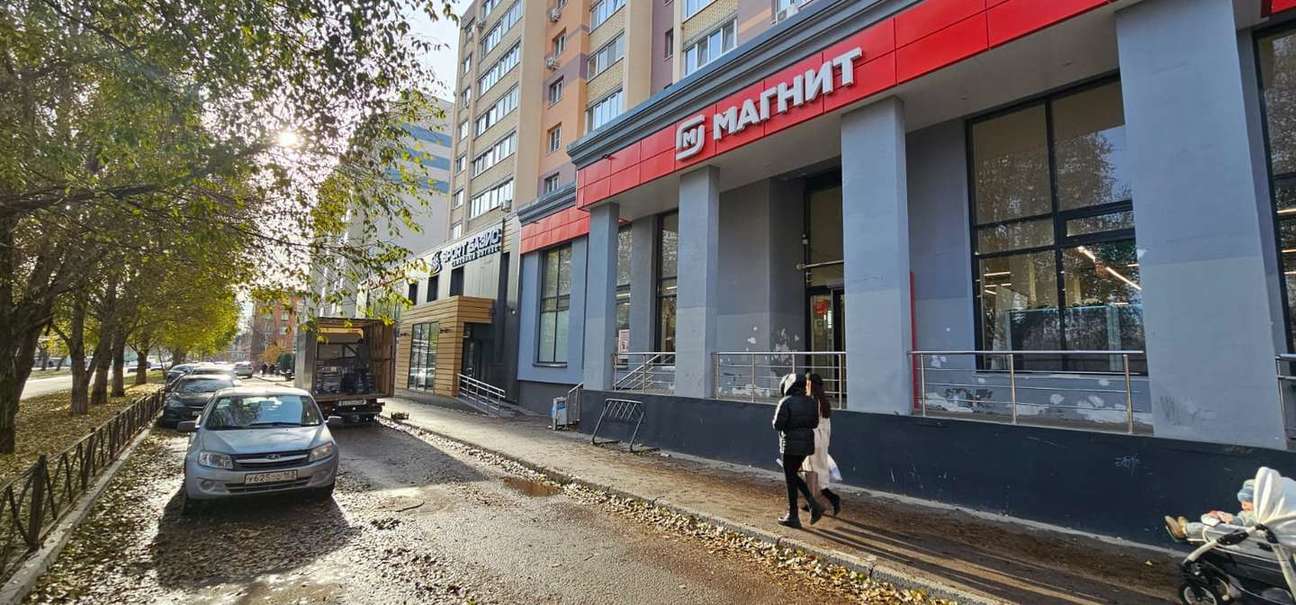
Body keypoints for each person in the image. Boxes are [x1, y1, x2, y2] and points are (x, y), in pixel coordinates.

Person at [773, 372, 824, 528]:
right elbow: (814, 423)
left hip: (790, 445)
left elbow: (777, 425)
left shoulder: (786, 401)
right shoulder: (812, 402)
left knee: (790, 478)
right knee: (792, 475)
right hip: (806, 445)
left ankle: (793, 515)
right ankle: (813, 505)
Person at [802, 373, 843, 516]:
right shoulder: (824, 401)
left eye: (807, 383)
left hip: (813, 439)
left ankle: (830, 499)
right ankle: (812, 502)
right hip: (822, 440)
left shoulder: (813, 401)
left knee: (812, 472)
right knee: (817, 471)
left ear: (811, 384)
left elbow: (809, 421)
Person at [1165, 479, 1256, 541]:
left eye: (1247, 503)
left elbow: (1246, 524)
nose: (1243, 507)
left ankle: (1183, 531)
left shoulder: (1258, 516)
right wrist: (1222, 516)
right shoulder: (1246, 513)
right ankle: (1187, 528)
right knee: (1212, 523)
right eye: (1242, 503)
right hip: (1236, 532)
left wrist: (1232, 519)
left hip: (1240, 536)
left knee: (1207, 529)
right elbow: (1240, 519)